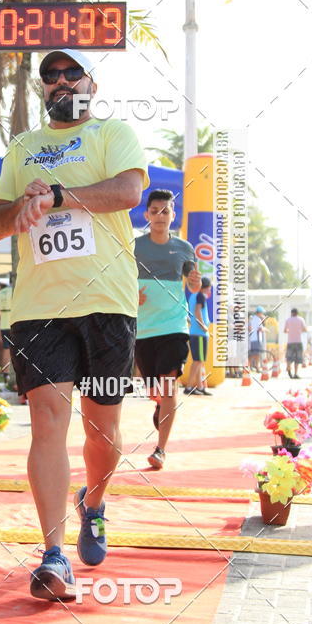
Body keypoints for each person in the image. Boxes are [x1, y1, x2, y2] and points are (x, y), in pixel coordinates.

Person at [0, 48, 148, 601]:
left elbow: (128, 192)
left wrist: (60, 194)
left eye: (70, 73)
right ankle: (54, 554)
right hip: (39, 306)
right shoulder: (23, 147)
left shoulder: (113, 131)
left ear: (90, 83)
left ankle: (95, 504)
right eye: (50, 75)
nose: (59, 81)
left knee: (102, 432)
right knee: (48, 419)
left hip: (107, 302)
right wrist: (22, 205)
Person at [134, 190, 202, 470]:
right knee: (155, 391)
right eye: (155, 211)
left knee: (168, 386)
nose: (160, 216)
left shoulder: (185, 248)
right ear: (147, 215)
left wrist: (195, 284)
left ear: (173, 216)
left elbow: (194, 285)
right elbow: (119, 277)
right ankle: (160, 406)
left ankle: (160, 449)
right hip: (142, 330)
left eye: (166, 211)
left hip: (174, 326)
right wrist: (131, 294)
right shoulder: (134, 246)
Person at [184, 277, 212, 396]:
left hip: (195, 333)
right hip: (199, 333)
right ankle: (189, 386)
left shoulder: (192, 296)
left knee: (200, 361)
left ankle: (200, 387)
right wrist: (203, 326)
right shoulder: (200, 295)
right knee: (197, 361)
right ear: (206, 287)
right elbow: (197, 311)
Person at [0, 273, 14, 389]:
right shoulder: (15, 291)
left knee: (5, 349)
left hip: (3, 323)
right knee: (13, 350)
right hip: (13, 321)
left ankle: (5, 372)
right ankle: (11, 372)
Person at [284, 308, 307, 379]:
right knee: (297, 358)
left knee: (289, 357)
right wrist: (299, 331)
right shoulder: (301, 319)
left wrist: (290, 331)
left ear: (291, 313)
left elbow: (285, 330)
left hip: (290, 341)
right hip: (298, 341)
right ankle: (295, 373)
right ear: (297, 313)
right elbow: (305, 329)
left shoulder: (288, 320)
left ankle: (288, 367)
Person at [248, 306, 267, 372]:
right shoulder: (257, 319)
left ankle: (249, 366)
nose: (262, 315)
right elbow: (260, 329)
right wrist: (266, 329)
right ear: (259, 313)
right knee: (256, 354)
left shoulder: (252, 318)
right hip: (256, 339)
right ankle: (257, 367)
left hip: (252, 339)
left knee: (252, 354)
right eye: (262, 313)